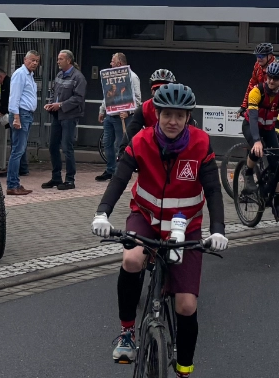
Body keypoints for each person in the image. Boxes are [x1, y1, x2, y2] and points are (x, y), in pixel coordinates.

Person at [91, 83, 228, 375]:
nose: (173, 122)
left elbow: (214, 191)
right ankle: (127, 331)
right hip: (146, 217)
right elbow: (119, 179)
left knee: (186, 306)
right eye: (167, 114)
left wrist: (218, 230)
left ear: (189, 117)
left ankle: (183, 369)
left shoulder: (201, 144)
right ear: (157, 113)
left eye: (180, 115)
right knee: (131, 260)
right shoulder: (141, 141)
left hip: (186, 227)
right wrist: (102, 214)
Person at [43, 49, 87, 190]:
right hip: (57, 115)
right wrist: (51, 103)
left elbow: (78, 98)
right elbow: (54, 92)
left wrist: (61, 105)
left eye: (61, 59)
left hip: (69, 116)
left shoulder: (78, 78)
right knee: (53, 146)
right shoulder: (59, 74)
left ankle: (70, 179)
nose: (58, 61)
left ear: (69, 60)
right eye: (58, 58)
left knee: (67, 148)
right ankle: (56, 177)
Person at [97, 52, 141, 181]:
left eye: (112, 61)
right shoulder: (110, 78)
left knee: (120, 145)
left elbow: (138, 99)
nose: (110, 64)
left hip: (123, 117)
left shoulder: (132, 77)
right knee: (107, 143)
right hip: (110, 116)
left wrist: (128, 112)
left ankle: (120, 171)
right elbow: (108, 94)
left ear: (119, 63)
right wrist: (102, 110)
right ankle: (110, 170)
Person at [244, 61, 279, 159]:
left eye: (275, 79)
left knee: (276, 158)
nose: (271, 81)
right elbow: (253, 117)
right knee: (257, 151)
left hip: (268, 128)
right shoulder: (256, 92)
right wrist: (257, 141)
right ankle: (248, 171)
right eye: (269, 77)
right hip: (251, 125)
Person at [6, 51, 40, 195]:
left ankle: (15, 183)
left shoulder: (29, 75)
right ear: (25, 60)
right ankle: (12, 184)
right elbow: (14, 98)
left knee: (19, 150)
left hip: (27, 114)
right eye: (32, 60)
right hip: (21, 114)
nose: (35, 63)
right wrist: (16, 118)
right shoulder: (20, 74)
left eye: (37, 61)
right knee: (17, 151)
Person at [121, 67, 177, 148]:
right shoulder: (144, 108)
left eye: (165, 89)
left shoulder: (180, 108)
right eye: (157, 89)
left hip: (176, 147)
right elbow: (130, 133)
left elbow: (192, 132)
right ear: (152, 91)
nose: (161, 93)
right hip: (152, 148)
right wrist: (122, 152)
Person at [240, 42, 279, 110]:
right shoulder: (258, 65)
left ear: (270, 55)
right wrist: (244, 105)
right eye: (257, 56)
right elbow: (252, 84)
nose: (259, 59)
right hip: (266, 99)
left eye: (261, 56)